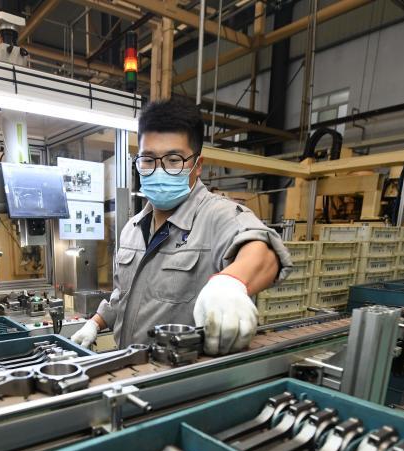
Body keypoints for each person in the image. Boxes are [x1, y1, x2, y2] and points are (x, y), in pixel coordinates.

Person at [71, 98, 293, 355]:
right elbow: (123, 295)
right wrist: (95, 323)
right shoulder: (132, 228)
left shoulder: (217, 216)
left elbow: (263, 251)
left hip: (180, 373)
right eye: (148, 159)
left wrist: (229, 284)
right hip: (129, 367)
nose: (159, 170)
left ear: (197, 166)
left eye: (174, 159)